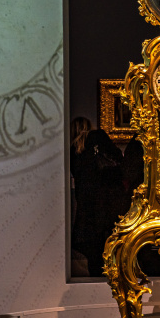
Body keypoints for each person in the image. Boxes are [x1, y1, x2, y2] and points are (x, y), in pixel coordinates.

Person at [70, 118, 129, 277]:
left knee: (92, 246)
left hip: (86, 203)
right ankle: (112, 277)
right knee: (109, 241)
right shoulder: (98, 137)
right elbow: (117, 157)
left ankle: (96, 277)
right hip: (107, 198)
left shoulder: (73, 151)